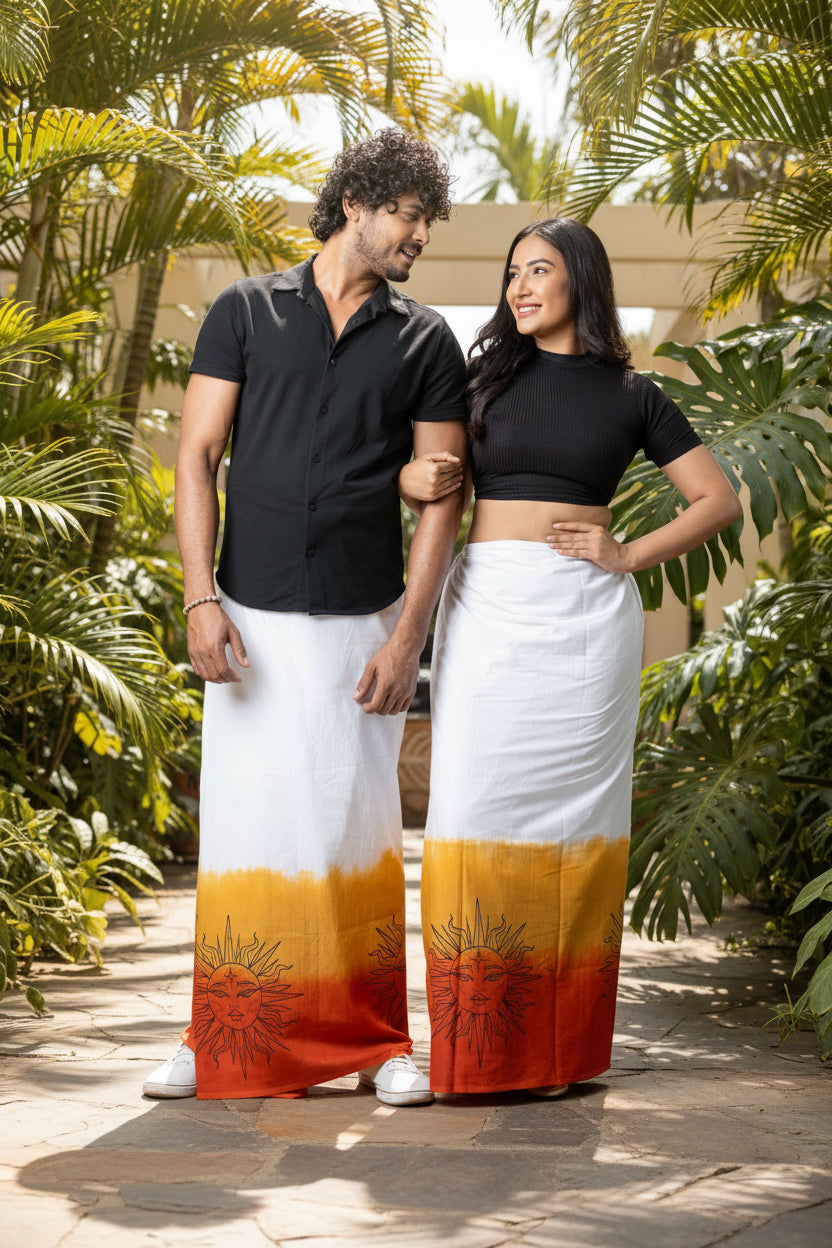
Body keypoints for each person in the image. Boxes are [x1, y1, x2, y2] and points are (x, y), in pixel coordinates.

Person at [143, 129, 468, 1106]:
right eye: (406, 213)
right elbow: (196, 458)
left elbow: (441, 496)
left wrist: (408, 640)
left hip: (362, 624)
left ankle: (375, 1043)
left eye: (425, 218)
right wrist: (199, 597)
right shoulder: (244, 310)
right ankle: (221, 1034)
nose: (417, 234)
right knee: (246, 834)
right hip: (245, 615)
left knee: (352, 832)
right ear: (356, 203)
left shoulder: (426, 340)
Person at [399, 217, 741, 1097]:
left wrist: (626, 554)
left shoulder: (633, 394)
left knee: (573, 830)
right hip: (487, 611)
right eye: (513, 272)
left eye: (538, 270)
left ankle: (556, 1055)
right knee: (471, 811)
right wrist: (412, 480)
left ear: (580, 281)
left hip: (585, 623)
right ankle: (477, 1049)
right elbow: (420, 471)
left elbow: (716, 500)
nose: (519, 286)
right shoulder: (480, 380)